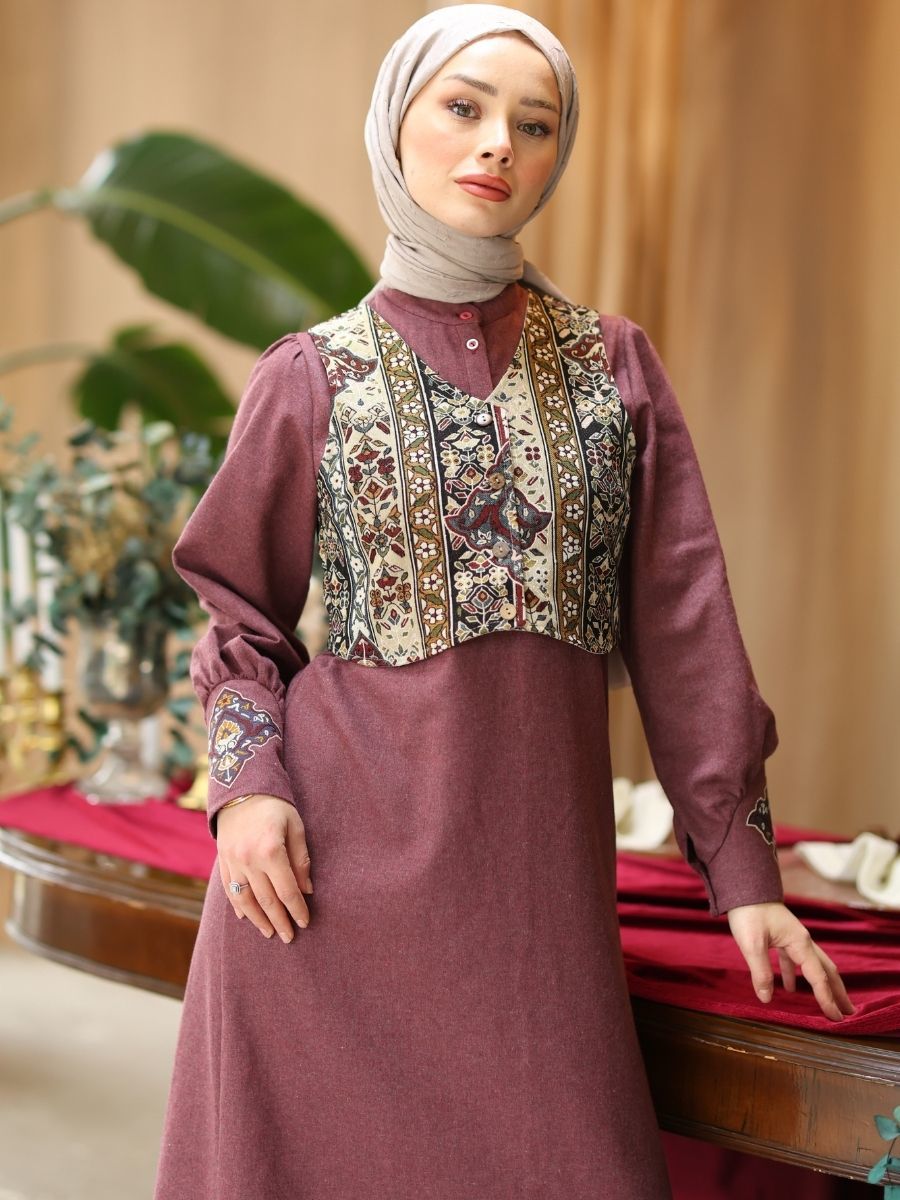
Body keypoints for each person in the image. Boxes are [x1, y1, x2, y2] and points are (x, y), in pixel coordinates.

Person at [153, 7, 854, 1198]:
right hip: (319, 900)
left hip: (533, 923)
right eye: (464, 107)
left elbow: (685, 627)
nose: (498, 145)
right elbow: (238, 615)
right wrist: (247, 793)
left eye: (535, 125)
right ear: (397, 124)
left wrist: (746, 881)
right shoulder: (312, 374)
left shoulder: (610, 368)